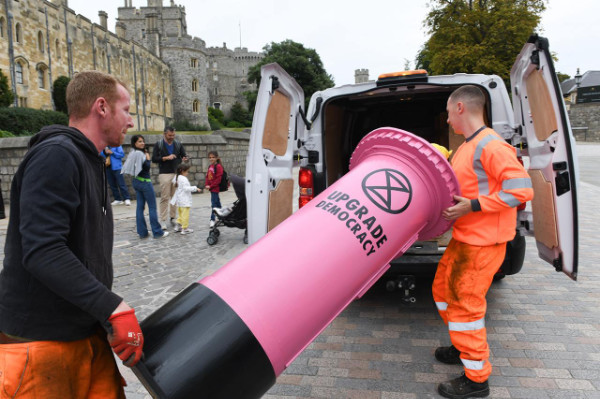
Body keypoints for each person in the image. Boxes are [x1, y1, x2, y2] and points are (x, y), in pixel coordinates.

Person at [0, 71, 144, 397]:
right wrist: (113, 308)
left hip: (83, 333)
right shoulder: (56, 155)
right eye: (127, 110)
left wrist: (102, 316)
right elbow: (43, 250)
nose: (131, 121)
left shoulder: (90, 160)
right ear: (102, 107)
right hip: (39, 342)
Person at [432, 85, 534, 399]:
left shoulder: (491, 146)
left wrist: (473, 205)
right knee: (442, 290)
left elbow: (522, 190)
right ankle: (462, 345)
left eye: (449, 113)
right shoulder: (467, 146)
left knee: (465, 306)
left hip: (483, 243)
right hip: (466, 238)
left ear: (460, 107)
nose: (448, 120)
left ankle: (477, 381)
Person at [122, 135, 169, 240]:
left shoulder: (133, 153)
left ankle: (142, 232)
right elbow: (146, 167)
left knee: (140, 207)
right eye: (140, 142)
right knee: (152, 207)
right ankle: (157, 232)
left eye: (143, 141)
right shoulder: (141, 154)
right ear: (135, 143)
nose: (142, 143)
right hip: (145, 182)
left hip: (136, 181)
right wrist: (147, 158)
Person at [152, 126, 188, 230]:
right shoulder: (158, 144)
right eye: (170, 135)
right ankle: (163, 219)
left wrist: (185, 158)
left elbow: (183, 155)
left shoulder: (178, 144)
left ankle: (172, 217)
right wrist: (166, 158)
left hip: (176, 173)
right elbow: (154, 159)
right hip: (164, 173)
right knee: (164, 197)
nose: (172, 137)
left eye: (173, 135)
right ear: (164, 134)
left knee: (175, 197)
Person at [170, 163, 199, 235]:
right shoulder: (184, 179)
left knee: (181, 215)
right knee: (185, 215)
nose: (187, 173)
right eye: (187, 171)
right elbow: (186, 188)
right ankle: (184, 228)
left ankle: (178, 226)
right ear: (182, 171)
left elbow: (173, 182)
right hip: (185, 200)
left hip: (179, 201)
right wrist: (195, 188)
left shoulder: (177, 177)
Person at [205, 150, 224, 227]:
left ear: (216, 158)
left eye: (213, 157)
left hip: (215, 188)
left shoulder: (218, 167)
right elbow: (207, 177)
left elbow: (218, 179)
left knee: (214, 204)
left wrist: (211, 186)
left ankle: (212, 219)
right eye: (210, 157)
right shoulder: (210, 166)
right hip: (211, 188)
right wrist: (207, 184)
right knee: (217, 203)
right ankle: (221, 217)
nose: (211, 159)